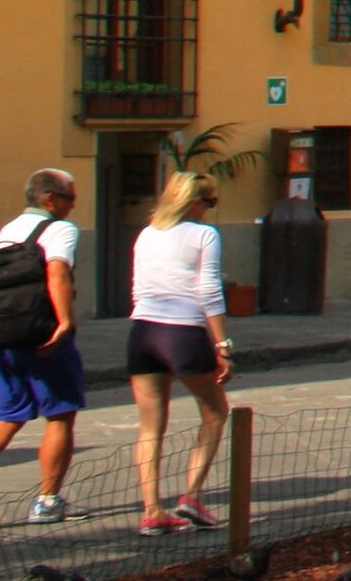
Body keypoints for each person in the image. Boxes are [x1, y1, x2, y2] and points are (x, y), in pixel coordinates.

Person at [0, 169, 84, 530]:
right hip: (43, 336)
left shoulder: (7, 231)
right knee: (60, 415)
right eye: (70, 198)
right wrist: (65, 322)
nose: (74, 205)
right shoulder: (59, 229)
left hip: (3, 337)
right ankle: (47, 501)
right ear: (51, 200)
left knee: (9, 414)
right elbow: (57, 273)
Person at [126, 172, 234, 537]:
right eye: (210, 202)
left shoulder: (146, 234)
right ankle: (191, 496)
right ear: (195, 202)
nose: (210, 210)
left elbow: (138, 286)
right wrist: (222, 345)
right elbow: (208, 290)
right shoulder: (204, 235)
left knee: (150, 425)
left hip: (143, 332)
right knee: (216, 411)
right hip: (182, 332)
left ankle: (152, 510)